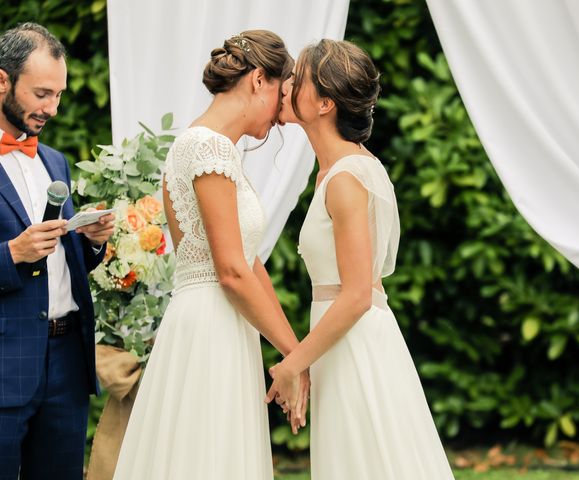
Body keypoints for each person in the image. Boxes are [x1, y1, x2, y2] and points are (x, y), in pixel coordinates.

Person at [114, 30, 309, 480]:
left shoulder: (210, 147)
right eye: (282, 95)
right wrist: (294, 357)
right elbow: (231, 271)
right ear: (259, 80)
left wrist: (294, 352)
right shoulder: (208, 148)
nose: (282, 117)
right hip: (211, 324)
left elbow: (249, 261)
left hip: (222, 321)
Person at [265, 39, 455, 479]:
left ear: (324, 103)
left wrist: (293, 364)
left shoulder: (346, 178)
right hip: (341, 339)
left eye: (300, 79)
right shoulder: (337, 169)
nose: (288, 83)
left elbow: (355, 296)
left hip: (354, 342)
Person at [0, 23, 115, 479]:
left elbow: (62, 258)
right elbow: (21, 252)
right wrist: (12, 254)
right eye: (42, 94)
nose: (53, 109)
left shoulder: (53, 159)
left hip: (66, 362)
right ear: (2, 80)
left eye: (58, 95)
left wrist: (91, 244)